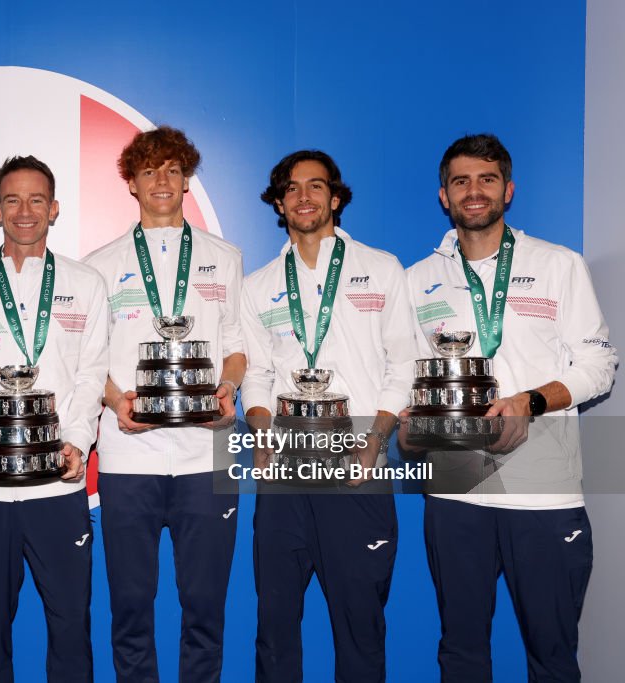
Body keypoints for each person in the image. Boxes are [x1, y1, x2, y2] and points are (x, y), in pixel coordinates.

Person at [404, 133, 617, 682]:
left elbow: (598, 366)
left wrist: (531, 401)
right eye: (461, 182)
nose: (474, 191)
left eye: (487, 179)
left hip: (543, 497)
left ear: (509, 189)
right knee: (461, 652)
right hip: (455, 493)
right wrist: (410, 424)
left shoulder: (558, 265)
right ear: (444, 197)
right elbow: (408, 378)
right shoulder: (417, 281)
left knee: (552, 656)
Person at [240, 149, 418, 682]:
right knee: (275, 622)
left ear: (335, 197)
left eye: (316, 186)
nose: (304, 196)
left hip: (358, 462)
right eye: (291, 188)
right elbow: (257, 374)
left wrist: (375, 441)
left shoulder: (382, 269)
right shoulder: (258, 285)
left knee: (360, 622)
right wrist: (262, 434)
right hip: (285, 471)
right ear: (279, 202)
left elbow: (403, 362)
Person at [83, 126, 246, 682]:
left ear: (186, 180)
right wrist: (115, 400)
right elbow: (90, 357)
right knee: (131, 606)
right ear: (131, 182)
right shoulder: (99, 264)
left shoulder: (224, 258)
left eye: (172, 170)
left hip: (206, 457)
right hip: (130, 458)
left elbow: (237, 348)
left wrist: (227, 389)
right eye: (148, 170)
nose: (161, 181)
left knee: (205, 608)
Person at [0, 155, 108, 682]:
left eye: (37, 199)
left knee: (70, 631)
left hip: (57, 489)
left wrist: (76, 441)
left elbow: (91, 375)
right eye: (12, 199)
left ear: (54, 208)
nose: (24, 211)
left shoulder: (86, 282)